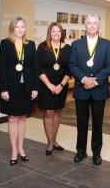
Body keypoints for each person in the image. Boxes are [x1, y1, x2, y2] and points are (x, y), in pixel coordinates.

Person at [69, 14, 110, 165]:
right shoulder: (76, 44)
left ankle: (96, 153)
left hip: (99, 90)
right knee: (81, 123)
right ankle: (81, 152)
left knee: (97, 124)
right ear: (85, 25)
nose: (92, 25)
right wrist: (84, 79)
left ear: (99, 26)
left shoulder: (107, 44)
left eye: (95, 23)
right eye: (89, 23)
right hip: (81, 89)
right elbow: (72, 65)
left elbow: (109, 66)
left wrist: (95, 82)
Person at [0, 16, 38, 165]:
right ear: (12, 28)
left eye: (23, 26)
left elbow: (34, 68)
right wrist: (3, 89)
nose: (20, 29)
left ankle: (21, 148)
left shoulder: (30, 45)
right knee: (12, 118)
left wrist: (35, 87)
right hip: (10, 87)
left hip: (26, 88)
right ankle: (13, 150)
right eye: (17, 27)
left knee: (22, 118)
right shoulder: (5, 44)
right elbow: (1, 69)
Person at [37, 22, 71, 156]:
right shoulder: (42, 47)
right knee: (48, 113)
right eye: (53, 31)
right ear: (49, 33)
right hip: (46, 86)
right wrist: (49, 85)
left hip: (61, 87)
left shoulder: (68, 48)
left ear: (62, 33)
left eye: (58, 31)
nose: (56, 34)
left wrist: (61, 85)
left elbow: (70, 69)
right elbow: (38, 67)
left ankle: (54, 140)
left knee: (57, 112)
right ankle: (50, 142)